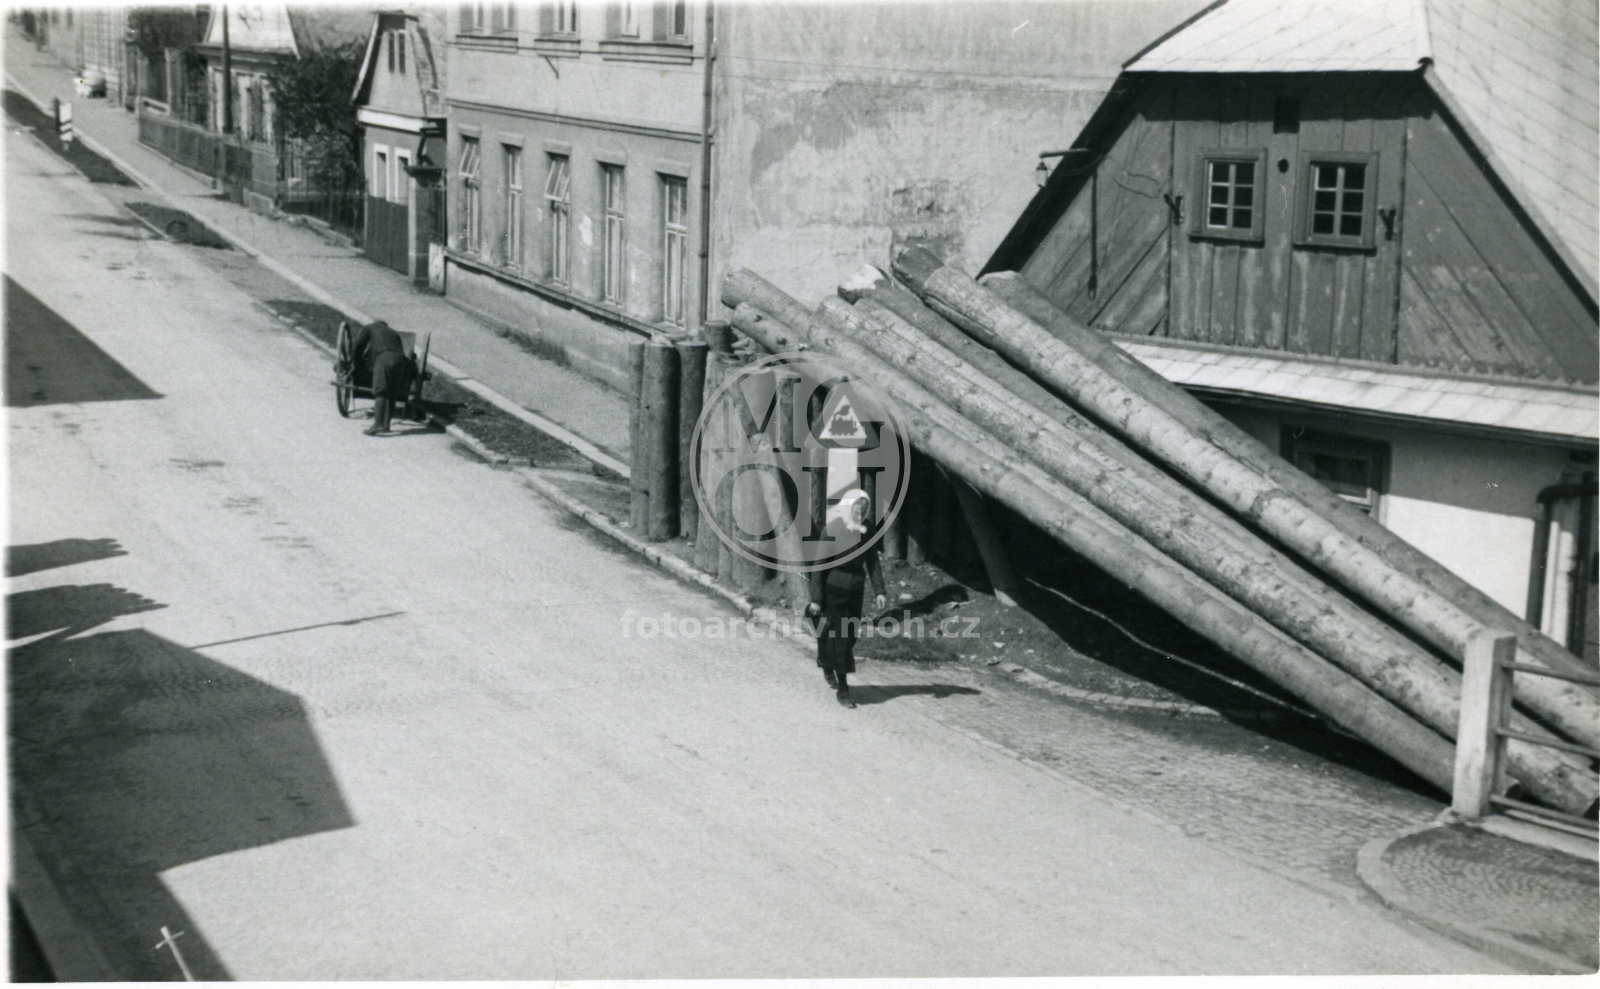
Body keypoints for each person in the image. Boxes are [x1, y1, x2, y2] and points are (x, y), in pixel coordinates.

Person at [805, 488, 887, 708]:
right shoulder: (831, 530)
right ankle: (843, 690)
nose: (859, 516)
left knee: (850, 637)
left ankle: (826, 662)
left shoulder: (867, 530)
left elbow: (872, 561)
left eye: (863, 512)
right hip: (834, 590)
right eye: (856, 512)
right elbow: (818, 567)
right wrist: (816, 599)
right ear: (847, 508)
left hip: (855, 591)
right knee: (840, 639)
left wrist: (879, 590)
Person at [349, 320, 411, 436]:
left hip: (384, 358)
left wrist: (355, 361)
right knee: (392, 392)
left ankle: (378, 424)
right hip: (400, 360)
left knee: (380, 391)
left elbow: (358, 345)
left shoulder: (369, 328)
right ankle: (386, 425)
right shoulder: (394, 333)